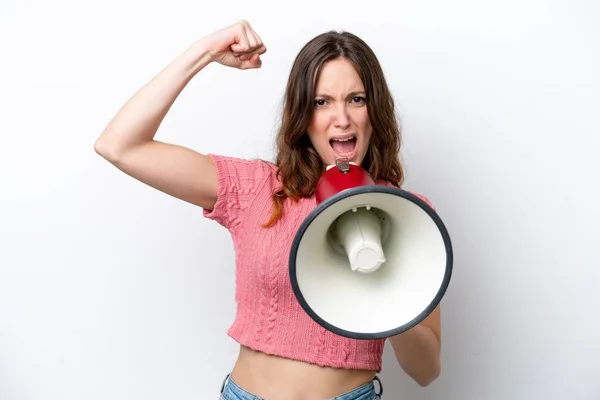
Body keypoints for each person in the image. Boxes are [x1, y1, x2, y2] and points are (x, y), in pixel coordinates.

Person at [94, 20, 442, 400]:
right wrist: (205, 52)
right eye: (321, 102)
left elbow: (426, 371)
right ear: (303, 117)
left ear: (374, 110)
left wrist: (392, 292)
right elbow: (119, 145)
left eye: (356, 99)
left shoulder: (407, 216)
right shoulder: (256, 189)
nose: (341, 118)